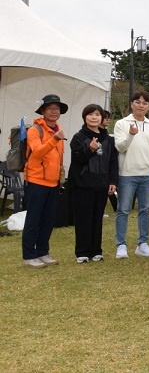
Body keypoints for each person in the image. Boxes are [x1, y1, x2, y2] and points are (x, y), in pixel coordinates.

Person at [114, 91, 149, 259]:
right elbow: (120, 147)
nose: (141, 105)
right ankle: (121, 245)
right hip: (127, 174)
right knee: (123, 210)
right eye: (138, 102)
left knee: (145, 210)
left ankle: (142, 244)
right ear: (132, 104)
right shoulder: (122, 123)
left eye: (145, 103)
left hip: (147, 174)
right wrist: (131, 135)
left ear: (148, 106)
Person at [21, 94, 68, 268]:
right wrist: (54, 139)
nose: (54, 112)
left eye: (57, 109)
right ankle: (29, 255)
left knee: (48, 220)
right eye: (50, 108)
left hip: (53, 182)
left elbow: (59, 158)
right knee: (34, 219)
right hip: (36, 181)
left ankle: (43, 252)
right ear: (42, 111)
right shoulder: (34, 130)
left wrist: (60, 179)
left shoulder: (58, 129)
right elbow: (38, 152)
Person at [69, 104, 119, 263]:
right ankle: (82, 252)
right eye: (90, 114)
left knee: (97, 218)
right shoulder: (79, 137)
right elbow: (77, 160)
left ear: (102, 118)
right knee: (84, 218)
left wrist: (113, 181)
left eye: (97, 115)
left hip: (102, 183)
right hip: (83, 184)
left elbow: (113, 161)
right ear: (85, 117)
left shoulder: (108, 139)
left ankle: (96, 250)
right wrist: (89, 149)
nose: (94, 117)